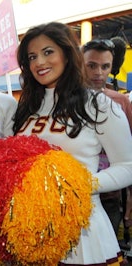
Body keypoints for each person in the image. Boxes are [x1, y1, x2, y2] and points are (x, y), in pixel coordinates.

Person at [13, 21, 132, 265]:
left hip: (84, 235)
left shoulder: (99, 105)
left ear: (67, 54)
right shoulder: (25, 108)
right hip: (31, 233)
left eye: (48, 52)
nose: (39, 62)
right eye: (32, 56)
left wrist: (79, 184)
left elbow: (128, 165)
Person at [82, 37, 132, 246]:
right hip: (72, 197)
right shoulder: (62, 102)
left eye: (105, 66)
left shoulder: (120, 102)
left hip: (110, 197)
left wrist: (130, 197)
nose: (98, 73)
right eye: (91, 65)